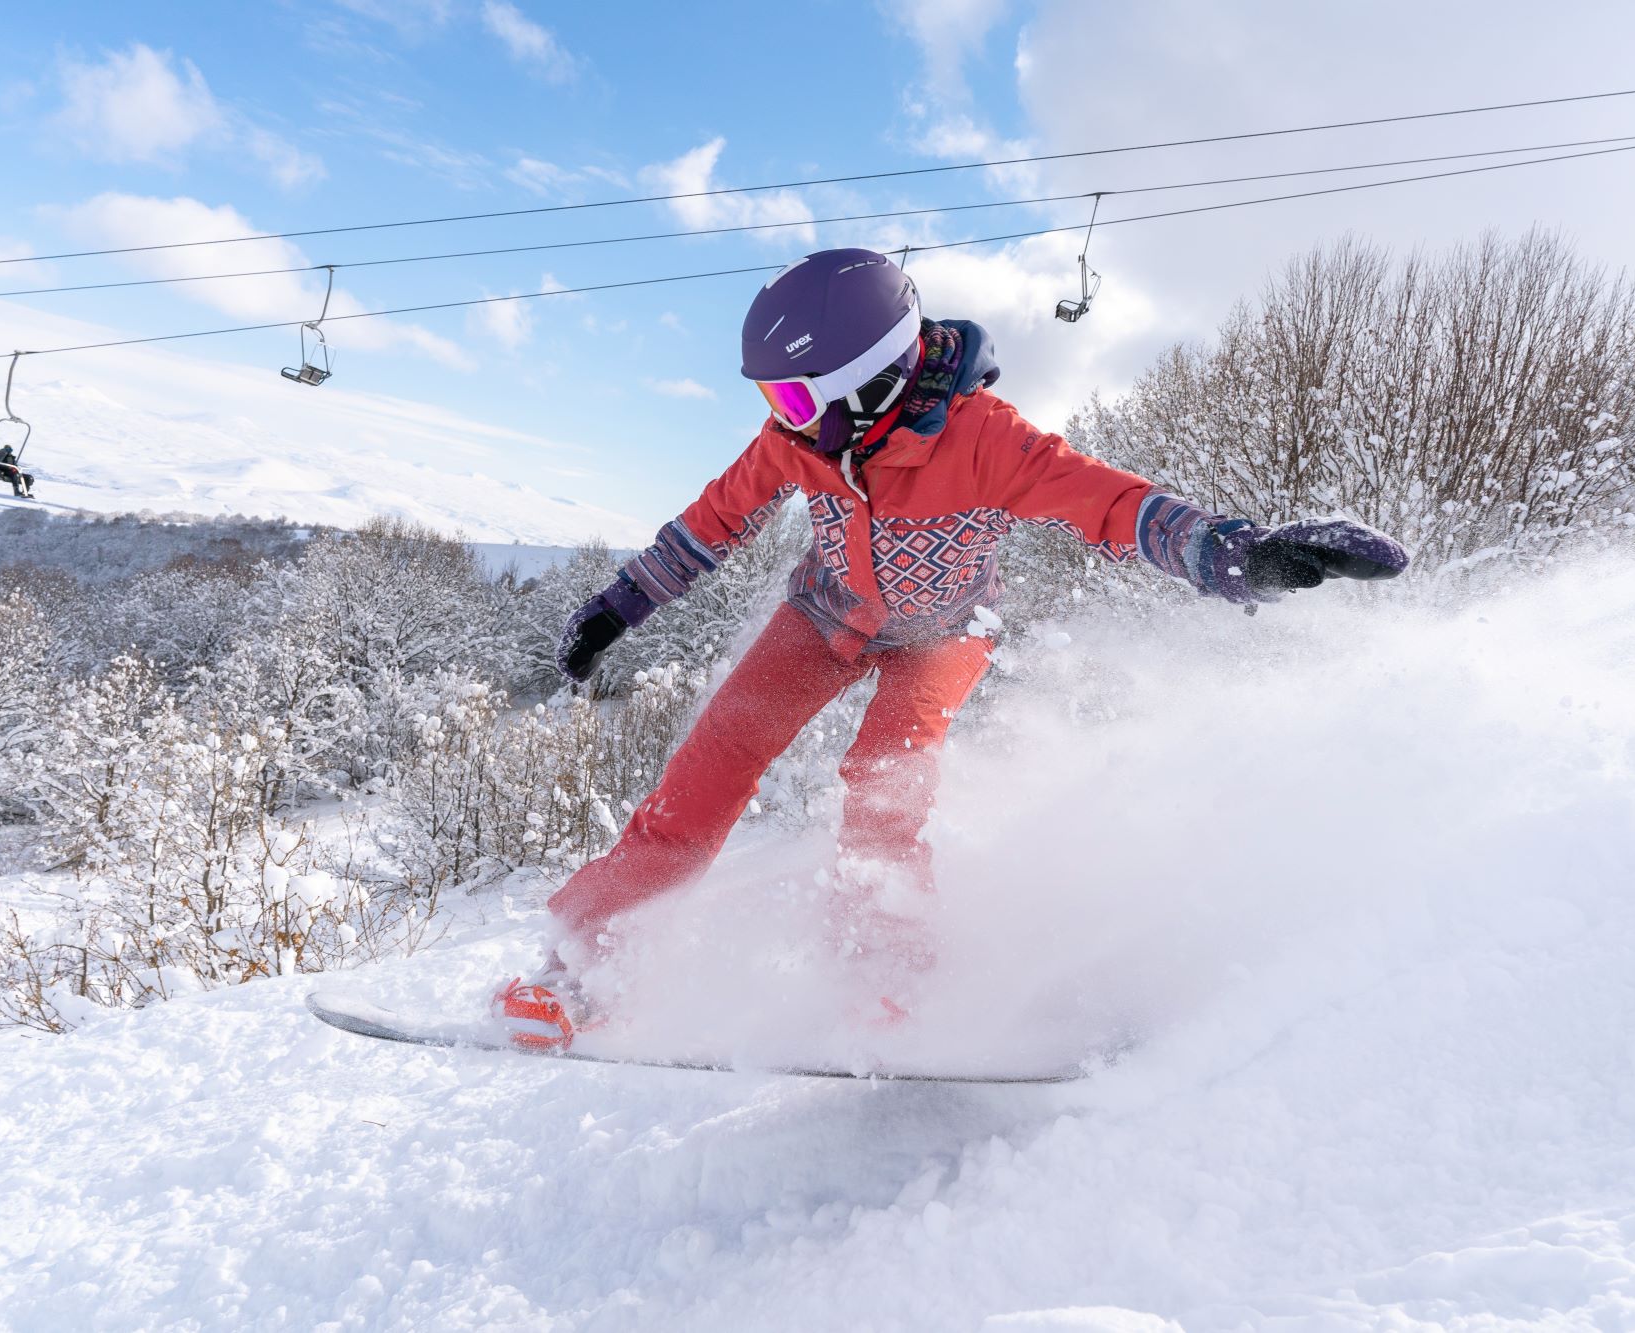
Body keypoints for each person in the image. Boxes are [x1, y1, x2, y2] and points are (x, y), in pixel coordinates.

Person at [499, 247, 1410, 1050]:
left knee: (880, 792)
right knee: (710, 763)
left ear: (871, 381)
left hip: (943, 634)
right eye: (771, 398)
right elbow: (713, 521)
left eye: (791, 395)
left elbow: (1113, 504)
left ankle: (886, 990)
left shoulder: (986, 440)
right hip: (825, 616)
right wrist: (621, 606)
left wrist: (1235, 553)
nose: (778, 417)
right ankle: (587, 968)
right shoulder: (801, 440)